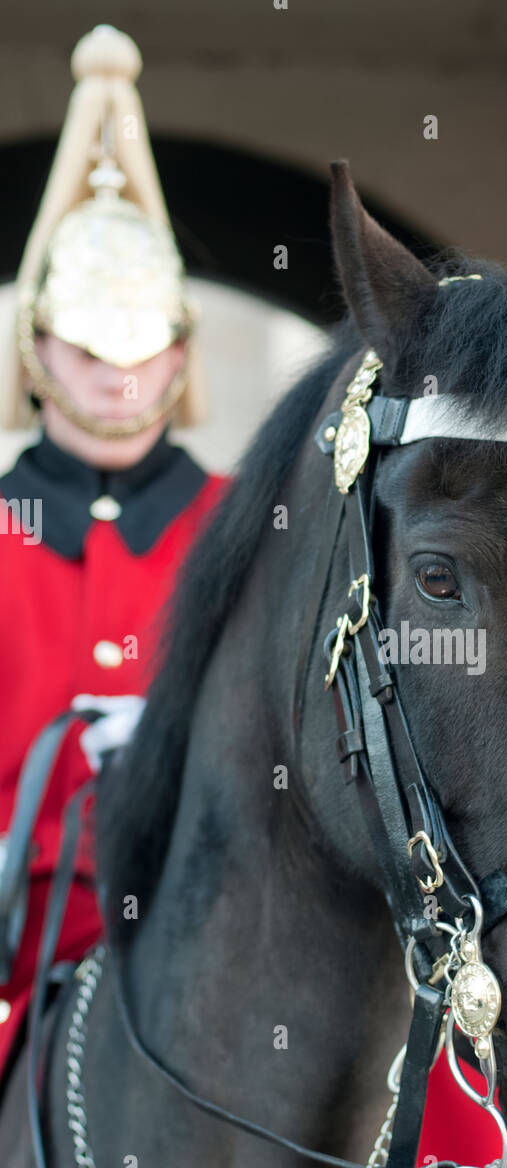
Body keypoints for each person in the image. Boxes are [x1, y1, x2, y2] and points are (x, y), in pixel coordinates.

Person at [0, 25, 225, 1087]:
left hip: (218, 939)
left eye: (146, 351)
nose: (121, 380)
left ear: (182, 352)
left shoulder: (245, 522)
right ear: (35, 347)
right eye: (92, 350)